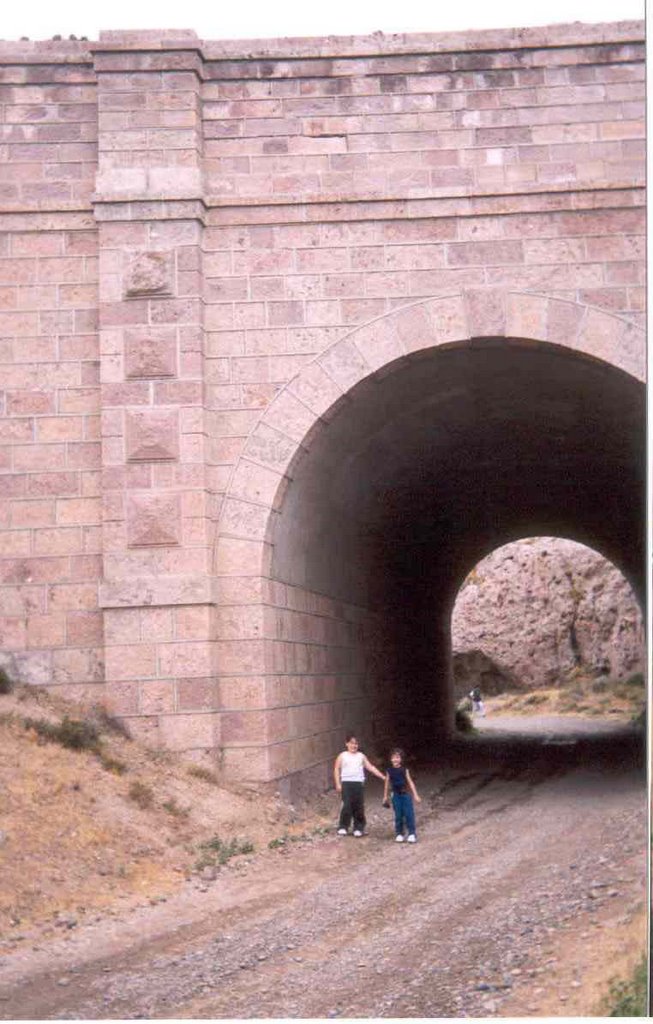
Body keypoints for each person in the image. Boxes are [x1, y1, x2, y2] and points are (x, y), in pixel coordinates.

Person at [334, 733, 386, 837]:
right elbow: (336, 769)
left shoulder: (361, 756)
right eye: (352, 743)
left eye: (356, 743)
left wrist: (383, 777)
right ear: (347, 744)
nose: (354, 746)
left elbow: (370, 767)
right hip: (346, 783)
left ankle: (359, 827)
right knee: (346, 805)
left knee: (359, 806)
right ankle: (343, 826)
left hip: (358, 783)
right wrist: (338, 784)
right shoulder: (342, 755)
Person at [383, 747, 421, 843]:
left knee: (409, 814)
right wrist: (385, 797)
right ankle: (399, 833)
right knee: (398, 815)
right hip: (395, 795)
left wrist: (415, 795)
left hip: (406, 794)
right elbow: (387, 784)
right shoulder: (389, 771)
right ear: (390, 759)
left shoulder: (404, 770)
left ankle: (412, 833)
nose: (395, 759)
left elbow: (410, 782)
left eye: (398, 757)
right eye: (394, 757)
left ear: (401, 759)